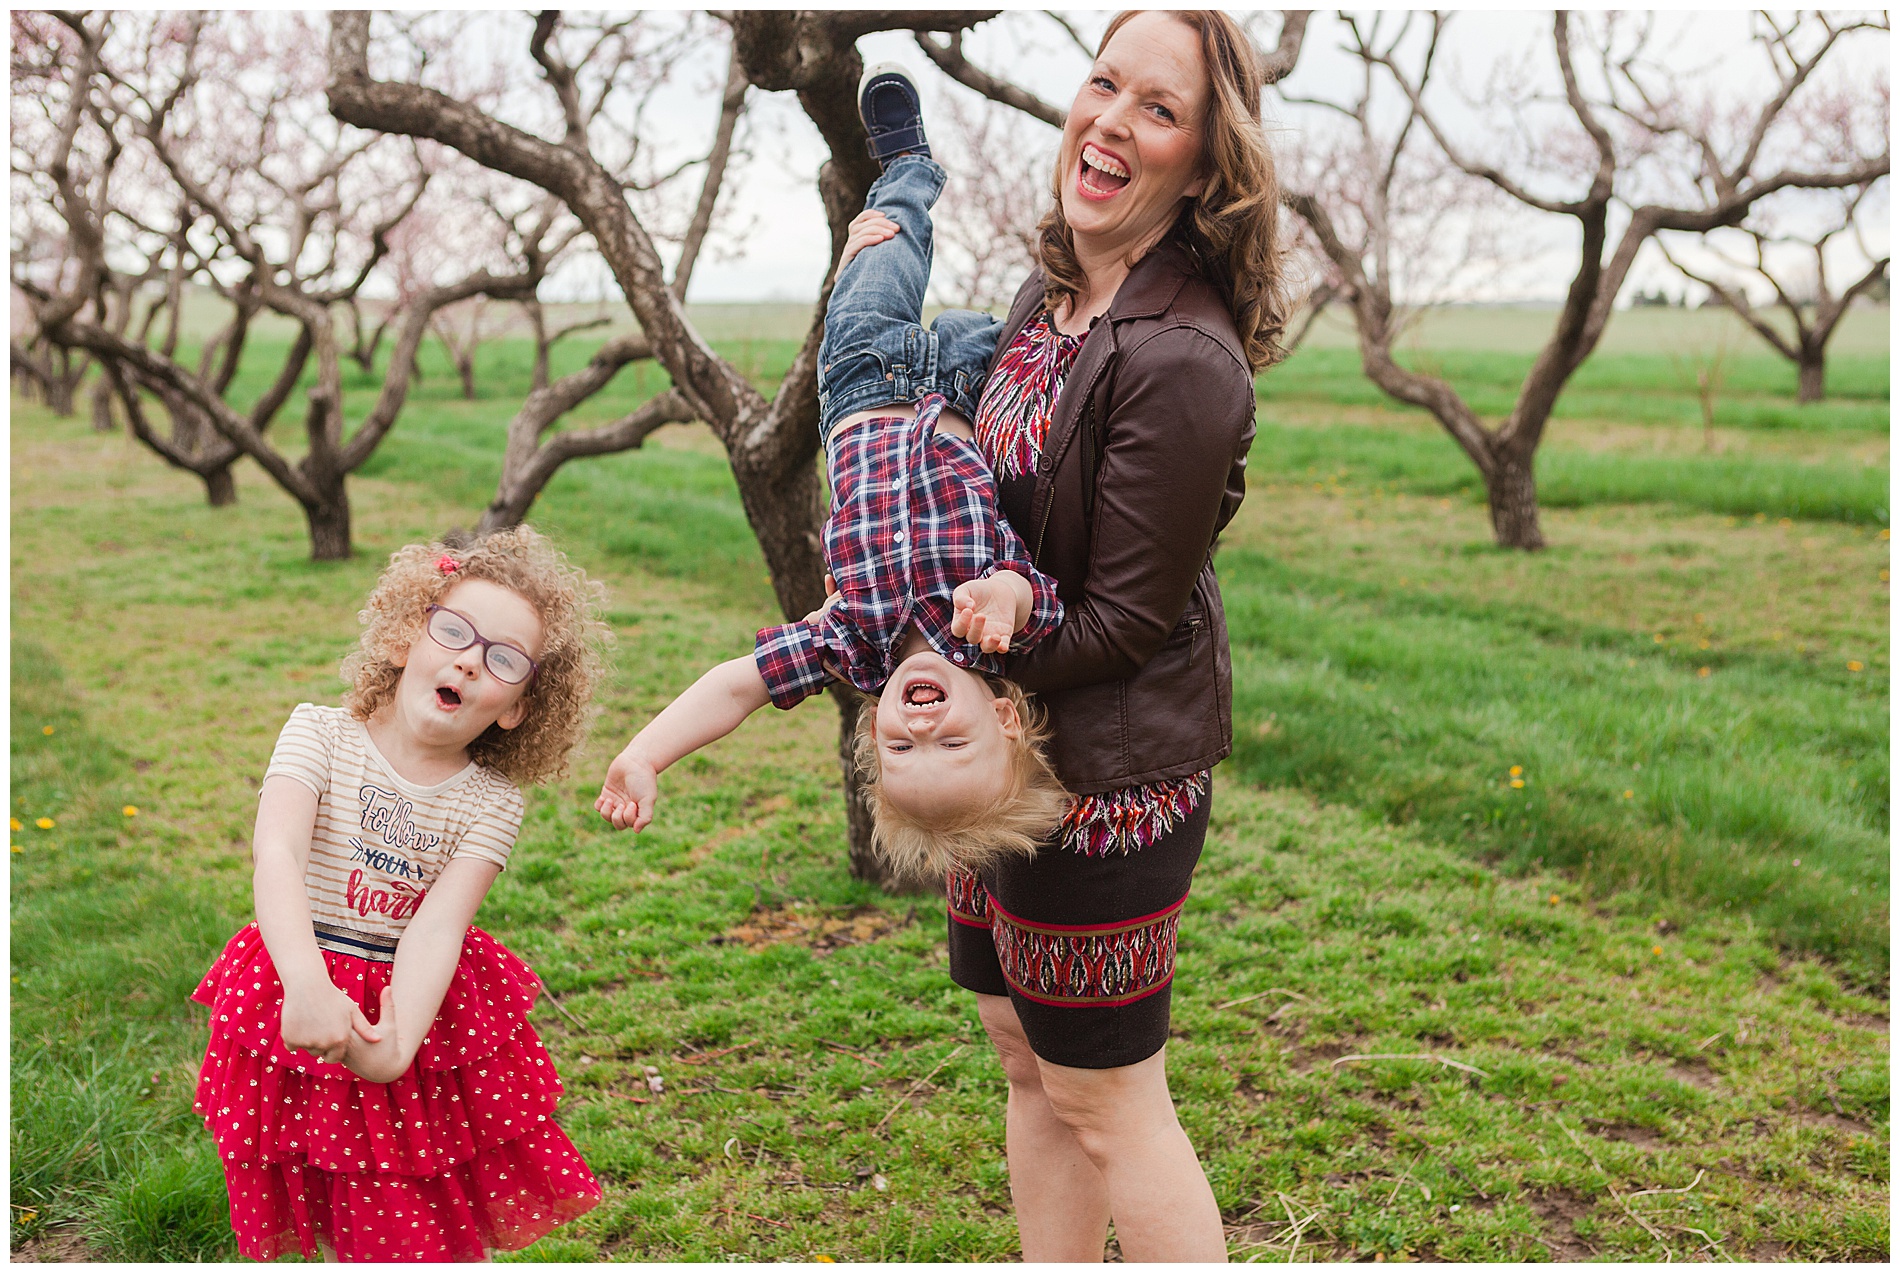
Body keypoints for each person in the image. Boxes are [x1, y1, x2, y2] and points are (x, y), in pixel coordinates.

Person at [931, 11, 1294, 1262]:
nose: (1110, 123)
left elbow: (1127, 621)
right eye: (1103, 84)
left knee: (1105, 1092)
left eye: (1158, 108)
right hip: (1008, 750)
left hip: (1106, 784)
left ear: (1203, 164)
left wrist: (974, 645)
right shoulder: (1054, 292)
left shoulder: (1184, 358)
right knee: (1026, 1056)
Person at [595, 65, 1069, 880]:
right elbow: (1041, 594)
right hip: (968, 385)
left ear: (872, 730)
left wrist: (644, 754)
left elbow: (736, 687)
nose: (921, 727)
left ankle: (903, 171)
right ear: (1004, 717)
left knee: (884, 246)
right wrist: (1009, 590)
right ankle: (1041, 226)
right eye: (952, 742)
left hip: (863, 378)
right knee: (1065, 324)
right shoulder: (1002, 632)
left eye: (899, 746)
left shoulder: (846, 643)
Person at [191, 527, 609, 1262]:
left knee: (397, 1206)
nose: (470, 660)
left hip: (412, 1011)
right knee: (309, 1173)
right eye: (454, 631)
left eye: (503, 658)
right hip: (296, 971)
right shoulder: (317, 733)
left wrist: (395, 1046)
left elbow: (438, 926)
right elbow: (277, 853)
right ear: (402, 639)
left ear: (517, 706)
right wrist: (306, 982)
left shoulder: (491, 802)